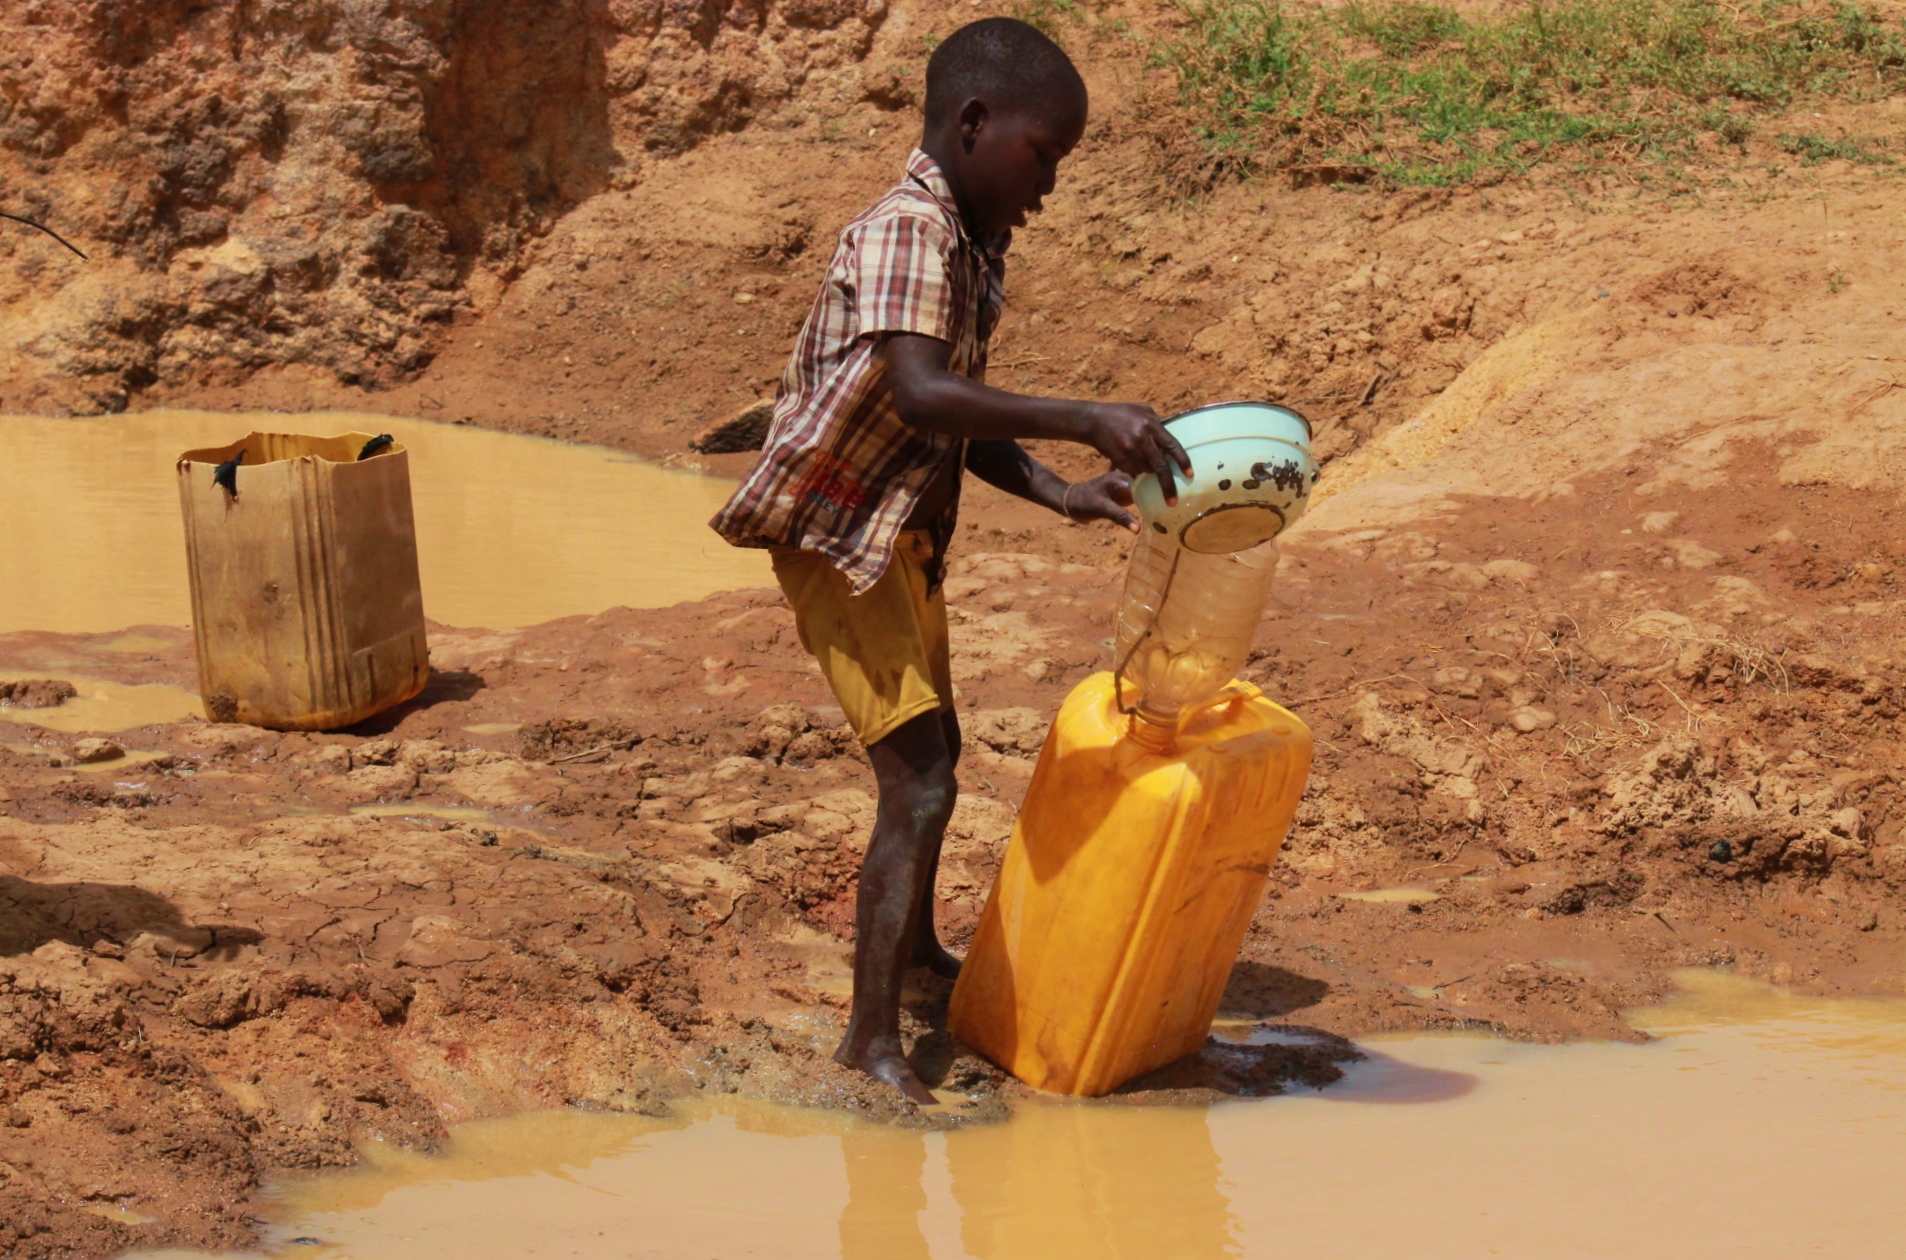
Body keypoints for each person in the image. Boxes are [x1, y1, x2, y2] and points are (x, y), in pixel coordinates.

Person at [710, 16, 1190, 1102]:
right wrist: (1085, 417)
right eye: (1043, 154)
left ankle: (918, 955)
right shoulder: (905, 233)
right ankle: (869, 1043)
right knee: (918, 780)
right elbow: (924, 394)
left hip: (902, 539)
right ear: (974, 123)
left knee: (938, 756)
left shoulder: (968, 248)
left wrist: (1063, 493)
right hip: (839, 538)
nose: (1048, 185)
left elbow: (959, 417)